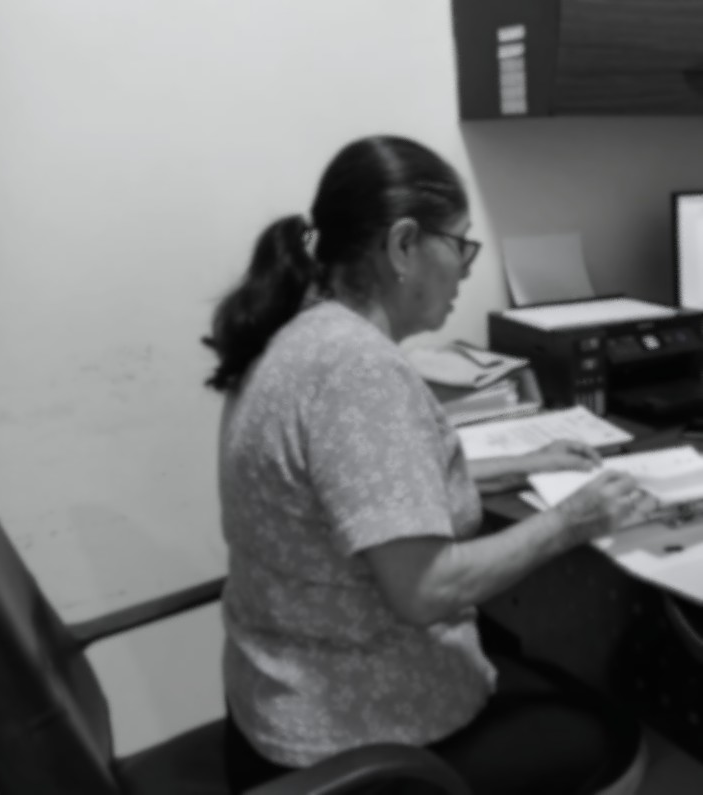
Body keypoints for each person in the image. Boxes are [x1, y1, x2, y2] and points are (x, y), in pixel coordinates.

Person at [202, 135, 656, 795]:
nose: (467, 269)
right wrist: (571, 521)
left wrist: (524, 461)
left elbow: (362, 492)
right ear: (404, 245)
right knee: (616, 738)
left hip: (282, 707)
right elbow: (426, 590)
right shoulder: (357, 368)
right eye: (460, 244)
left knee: (527, 656)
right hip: (353, 747)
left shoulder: (300, 334)